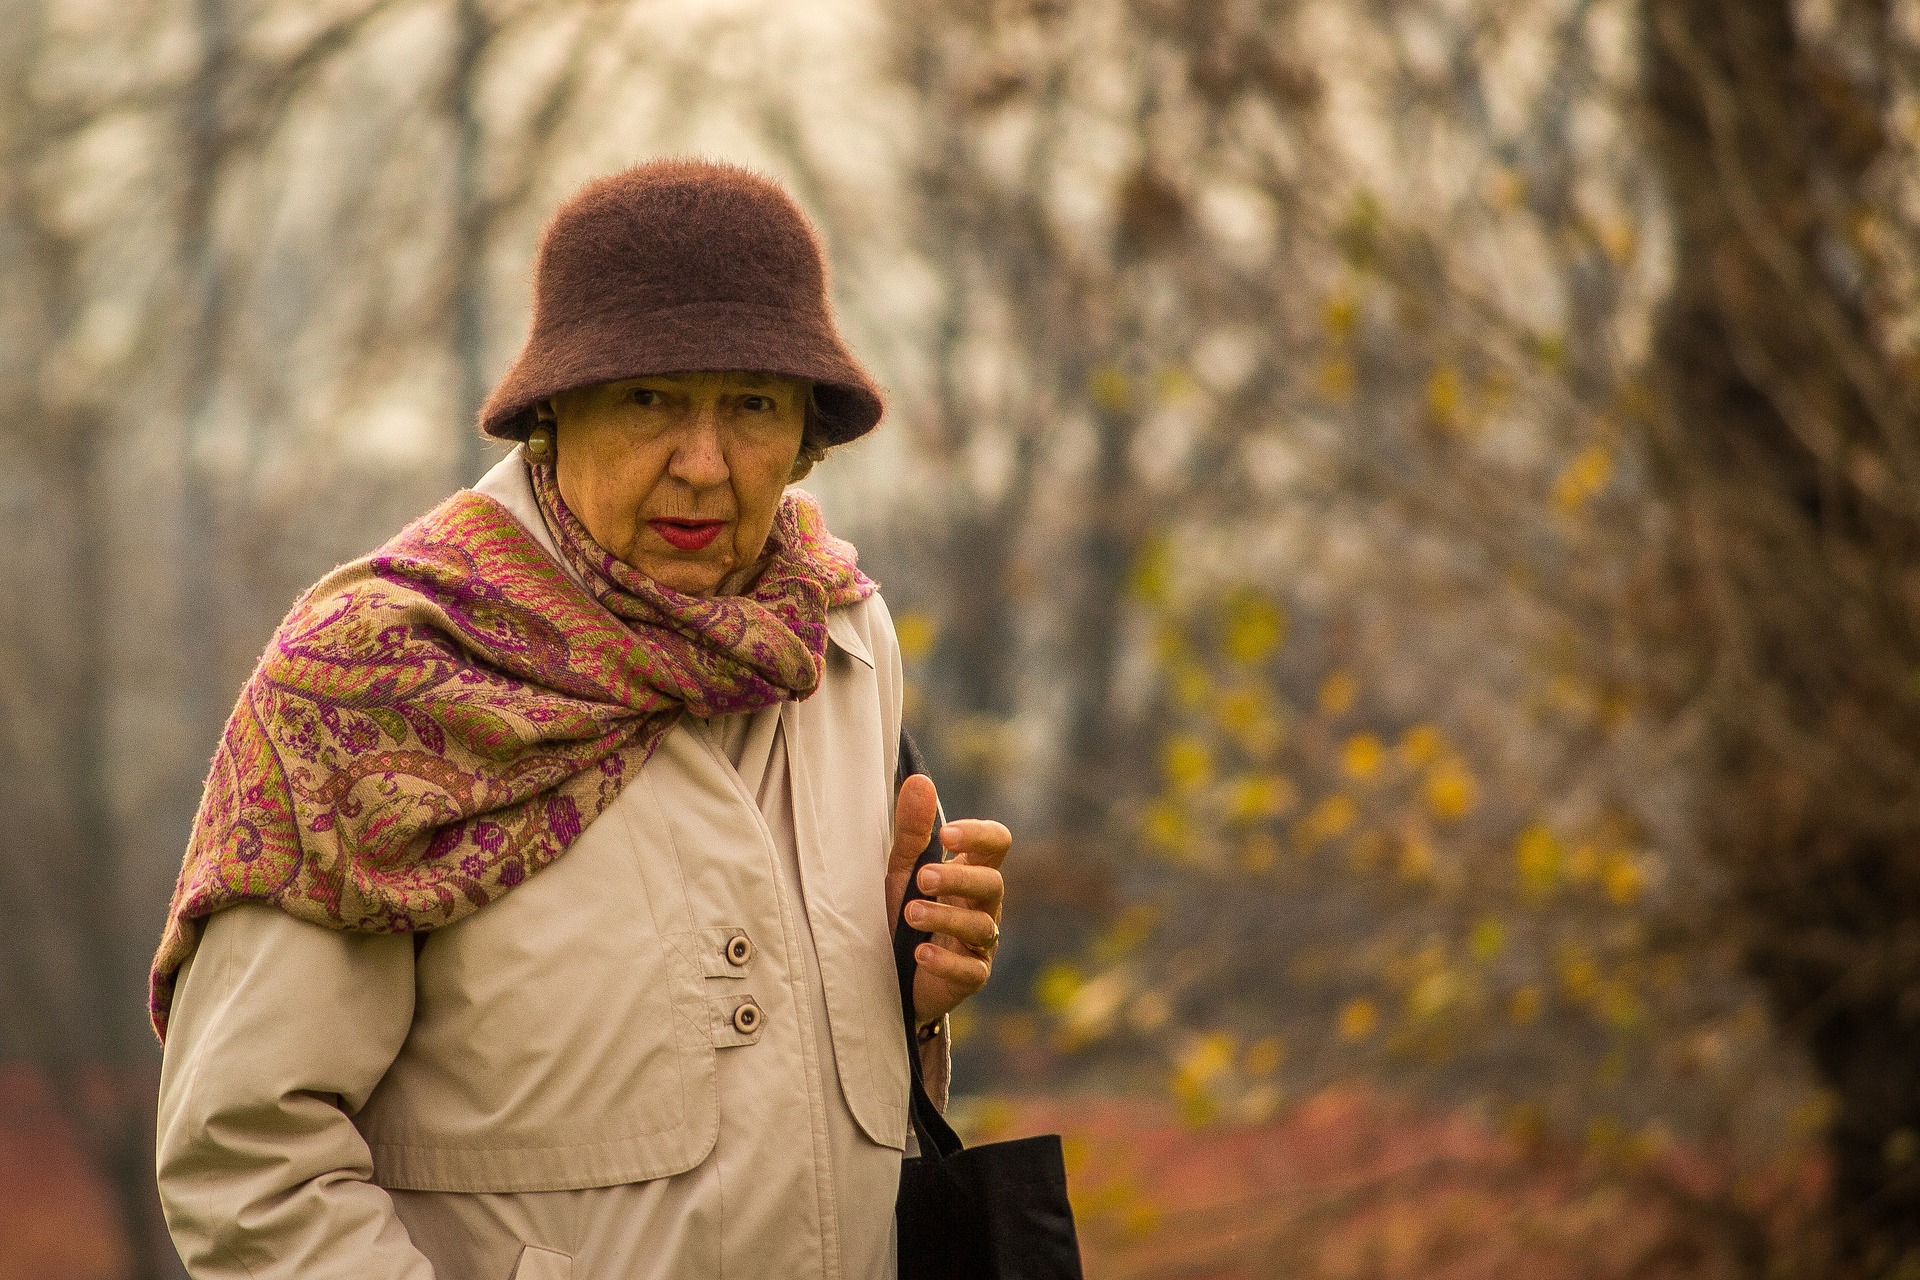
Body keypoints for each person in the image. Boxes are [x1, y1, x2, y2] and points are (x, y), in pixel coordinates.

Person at [150, 158, 1010, 1280]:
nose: (703, 464)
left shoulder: (840, 644)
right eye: (650, 397)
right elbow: (244, 1162)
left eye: (750, 404)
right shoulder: (372, 685)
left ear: (806, 433)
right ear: (554, 412)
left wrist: (906, 991)